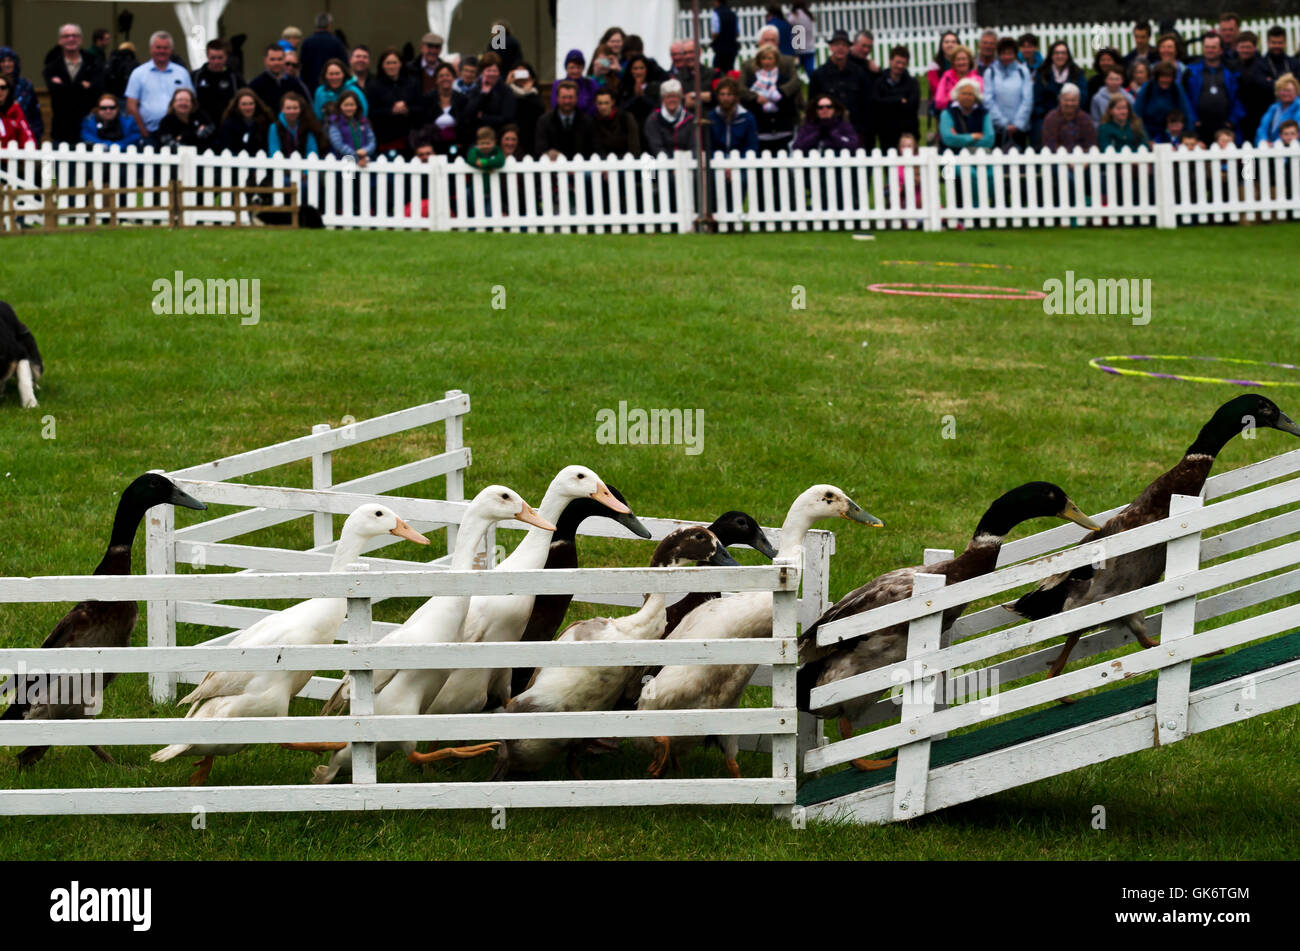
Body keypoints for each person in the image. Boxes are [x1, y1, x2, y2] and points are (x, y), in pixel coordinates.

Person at [43, 24, 104, 145]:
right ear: (60, 40)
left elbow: (97, 92)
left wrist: (64, 87)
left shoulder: (93, 62)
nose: (71, 39)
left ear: (80, 39)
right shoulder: (52, 66)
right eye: (66, 36)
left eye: (75, 36)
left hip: (89, 129)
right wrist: (82, 87)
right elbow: (56, 93)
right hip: (61, 130)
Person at [124, 31, 194, 136]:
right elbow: (131, 106)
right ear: (151, 48)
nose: (162, 51)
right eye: (158, 47)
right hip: (149, 132)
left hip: (178, 133)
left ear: (171, 50)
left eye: (165, 48)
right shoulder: (138, 73)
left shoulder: (182, 73)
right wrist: (143, 132)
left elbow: (192, 102)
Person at [810, 30, 870, 146]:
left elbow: (866, 104)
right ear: (831, 47)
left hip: (855, 129)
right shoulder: (819, 75)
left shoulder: (859, 73)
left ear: (849, 48)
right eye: (837, 44)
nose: (840, 48)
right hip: (828, 132)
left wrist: (863, 131)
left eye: (844, 45)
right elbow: (813, 106)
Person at [1183, 33, 1243, 144]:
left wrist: (1232, 120)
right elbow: (1186, 98)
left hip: (1225, 127)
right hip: (1200, 127)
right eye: (1207, 47)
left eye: (1213, 47)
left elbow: (1239, 97)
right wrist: (1193, 120)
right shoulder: (1192, 71)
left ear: (1220, 50)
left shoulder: (1231, 71)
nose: (1209, 50)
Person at [743, 44, 800, 152]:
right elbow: (748, 104)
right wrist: (757, 99)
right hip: (761, 132)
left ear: (776, 60)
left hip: (783, 130)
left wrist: (777, 96)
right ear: (759, 61)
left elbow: (790, 105)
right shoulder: (752, 81)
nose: (767, 62)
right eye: (763, 58)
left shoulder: (784, 80)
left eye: (770, 58)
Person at [1032, 41, 1088, 147]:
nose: (1060, 56)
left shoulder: (1077, 73)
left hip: (1073, 115)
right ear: (1051, 56)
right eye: (1056, 53)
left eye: (1063, 53)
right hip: (1046, 116)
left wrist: (1070, 114)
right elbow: (1037, 100)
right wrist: (1049, 117)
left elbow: (1083, 97)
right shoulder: (1042, 73)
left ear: (1068, 55)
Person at [458, 51, 515, 148]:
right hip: (476, 138)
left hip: (499, 137)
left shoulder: (506, 91)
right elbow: (468, 113)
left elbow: (507, 117)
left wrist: (483, 117)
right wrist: (483, 95)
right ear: (482, 72)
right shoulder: (476, 89)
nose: (492, 74)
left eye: (495, 71)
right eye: (489, 70)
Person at [366, 48, 417, 156]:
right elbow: (371, 112)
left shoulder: (412, 83)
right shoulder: (373, 85)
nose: (391, 66)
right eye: (388, 63)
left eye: (394, 63)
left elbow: (420, 108)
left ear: (401, 64)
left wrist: (407, 109)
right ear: (382, 65)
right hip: (384, 139)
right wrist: (391, 111)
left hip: (408, 140)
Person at [871, 45, 920, 151]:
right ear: (890, 61)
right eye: (897, 62)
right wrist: (898, 100)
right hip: (886, 132)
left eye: (903, 63)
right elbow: (876, 103)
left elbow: (912, 105)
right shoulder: (879, 82)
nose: (900, 66)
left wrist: (888, 102)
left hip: (907, 131)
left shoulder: (912, 83)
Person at [536, 79, 595, 159]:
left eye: (570, 97)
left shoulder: (588, 121)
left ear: (577, 98)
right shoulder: (544, 121)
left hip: (581, 168)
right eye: (564, 97)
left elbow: (594, 148)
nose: (567, 101)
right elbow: (540, 148)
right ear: (557, 98)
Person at [1235, 32, 1276, 144]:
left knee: (1261, 144)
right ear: (1237, 48)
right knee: (1246, 149)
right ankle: (1249, 163)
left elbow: (1272, 87)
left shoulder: (1263, 65)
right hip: (1241, 117)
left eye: (1248, 47)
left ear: (1255, 48)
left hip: (1261, 115)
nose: (1245, 50)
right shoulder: (1232, 66)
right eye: (1242, 47)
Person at [415, 61, 462, 156]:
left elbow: (464, 124)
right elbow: (422, 123)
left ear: (453, 78)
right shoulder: (427, 98)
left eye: (448, 75)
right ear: (436, 80)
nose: (445, 78)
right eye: (441, 76)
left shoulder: (462, 99)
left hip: (456, 146)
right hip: (432, 147)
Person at [192, 39, 243, 124]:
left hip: (227, 125)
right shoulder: (197, 76)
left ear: (226, 56)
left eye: (220, 58)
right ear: (207, 56)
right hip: (203, 125)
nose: (216, 62)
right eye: (213, 58)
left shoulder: (234, 77)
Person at [1137, 61, 1193, 137]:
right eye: (1162, 76)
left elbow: (1186, 112)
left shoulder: (1176, 88)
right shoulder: (1148, 87)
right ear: (1157, 77)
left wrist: (1189, 136)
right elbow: (1137, 114)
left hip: (1171, 133)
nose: (1165, 80)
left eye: (1169, 77)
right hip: (1149, 132)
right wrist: (1145, 138)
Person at [249, 44, 308, 114]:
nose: (276, 63)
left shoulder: (295, 83)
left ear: (284, 60)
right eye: (272, 59)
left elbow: (306, 106)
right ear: (265, 61)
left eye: (279, 59)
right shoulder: (255, 85)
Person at [939, 77, 993, 154]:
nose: (967, 97)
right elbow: (949, 139)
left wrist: (958, 138)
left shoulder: (983, 113)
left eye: (970, 94)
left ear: (975, 96)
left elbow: (989, 140)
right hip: (953, 159)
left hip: (979, 158)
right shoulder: (947, 113)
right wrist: (973, 136)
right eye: (964, 93)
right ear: (957, 95)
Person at [643, 78, 695, 156]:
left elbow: (694, 145)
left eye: (675, 96)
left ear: (680, 98)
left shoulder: (690, 119)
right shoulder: (653, 120)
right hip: (662, 165)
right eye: (668, 97)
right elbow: (656, 147)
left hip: (687, 164)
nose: (672, 100)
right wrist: (671, 165)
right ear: (663, 99)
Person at [0, 46, 41, 143]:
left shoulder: (25, 84)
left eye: (10, 61)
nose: (7, 64)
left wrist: (35, 135)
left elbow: (35, 112)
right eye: (3, 61)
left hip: (24, 133)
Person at [300, 12, 348, 92]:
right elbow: (344, 64)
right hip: (333, 85)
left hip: (311, 85)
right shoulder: (336, 42)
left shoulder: (307, 42)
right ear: (329, 25)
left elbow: (302, 66)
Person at [708, 77, 757, 154]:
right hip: (717, 163)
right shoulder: (711, 117)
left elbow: (751, 147)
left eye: (729, 94)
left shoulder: (747, 118)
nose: (725, 98)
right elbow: (708, 147)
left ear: (736, 96)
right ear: (717, 96)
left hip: (742, 163)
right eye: (722, 94)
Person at [1041, 82, 1097, 151]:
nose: (1069, 103)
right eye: (1066, 100)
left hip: (1082, 160)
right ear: (1060, 99)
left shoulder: (1086, 119)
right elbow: (1050, 145)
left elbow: (1091, 144)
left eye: (1073, 100)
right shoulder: (1051, 119)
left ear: (1078, 101)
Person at [792, 94, 858, 152]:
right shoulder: (808, 127)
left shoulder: (843, 126)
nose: (825, 109)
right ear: (815, 110)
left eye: (829, 107)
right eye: (820, 107)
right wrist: (817, 134)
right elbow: (797, 147)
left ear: (834, 109)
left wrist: (833, 135)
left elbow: (853, 145)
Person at [217, 87, 273, 154]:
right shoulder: (228, 124)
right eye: (244, 104)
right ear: (237, 105)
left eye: (251, 104)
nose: (248, 107)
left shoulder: (264, 122)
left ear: (256, 104)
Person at [325, 89, 375, 163]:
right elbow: (338, 144)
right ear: (340, 106)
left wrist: (365, 151)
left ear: (357, 106)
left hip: (364, 161)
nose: (349, 108)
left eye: (352, 105)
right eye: (346, 105)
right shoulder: (335, 122)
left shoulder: (364, 121)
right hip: (341, 163)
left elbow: (372, 141)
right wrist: (356, 156)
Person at [267, 90, 321, 156]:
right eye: (288, 108)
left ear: (300, 109)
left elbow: (312, 151)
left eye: (295, 108)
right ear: (282, 109)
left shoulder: (307, 125)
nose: (292, 111)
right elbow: (274, 150)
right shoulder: (275, 127)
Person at [507, 63, 544, 158]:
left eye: (523, 73)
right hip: (511, 138)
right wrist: (507, 85)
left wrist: (528, 93)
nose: (521, 77)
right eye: (518, 73)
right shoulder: (507, 91)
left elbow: (538, 111)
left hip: (531, 138)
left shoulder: (534, 93)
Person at [592, 86, 640, 156]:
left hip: (626, 162)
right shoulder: (593, 122)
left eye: (606, 103)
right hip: (602, 164)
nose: (603, 107)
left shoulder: (626, 118)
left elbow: (634, 145)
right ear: (595, 104)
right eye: (600, 103)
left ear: (613, 102)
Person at [933, 44, 981, 113]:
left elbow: (981, 101)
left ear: (969, 61)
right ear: (953, 62)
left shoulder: (977, 79)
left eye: (964, 59)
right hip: (951, 115)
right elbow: (939, 102)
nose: (961, 62)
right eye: (958, 59)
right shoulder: (947, 78)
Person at [619, 55, 660, 132]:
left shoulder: (655, 86)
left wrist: (642, 97)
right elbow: (621, 109)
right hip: (629, 129)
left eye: (642, 68)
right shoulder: (624, 87)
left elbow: (657, 108)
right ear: (630, 70)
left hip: (650, 129)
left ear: (647, 70)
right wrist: (635, 97)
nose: (638, 72)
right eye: (635, 68)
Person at [1256, 74, 1300, 144]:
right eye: (1283, 90)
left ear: (1296, 91)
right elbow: (1262, 129)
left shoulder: (1298, 107)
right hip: (1271, 150)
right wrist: (1264, 141)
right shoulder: (1273, 108)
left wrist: (1275, 144)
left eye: (1289, 90)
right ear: (1278, 92)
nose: (1286, 93)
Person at [552, 50, 598, 115]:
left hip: (587, 122)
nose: (575, 71)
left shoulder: (591, 84)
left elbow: (595, 105)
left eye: (578, 67)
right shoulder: (558, 84)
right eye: (572, 68)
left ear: (583, 68)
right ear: (566, 68)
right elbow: (555, 106)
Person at [0, 75, 35, 146]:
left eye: (3, 88)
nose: (0, 91)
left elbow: (26, 135)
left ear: (8, 90)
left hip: (14, 155)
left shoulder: (15, 110)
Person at [711, 1, 740, 73]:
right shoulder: (733, 14)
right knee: (730, 69)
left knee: (718, 69)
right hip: (732, 47)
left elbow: (715, 32)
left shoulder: (716, 13)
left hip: (720, 47)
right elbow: (737, 33)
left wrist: (713, 39)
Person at [788, 2, 816, 74]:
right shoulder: (808, 15)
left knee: (793, 72)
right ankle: (814, 85)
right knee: (810, 72)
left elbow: (789, 27)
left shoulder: (794, 16)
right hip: (809, 48)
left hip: (798, 50)